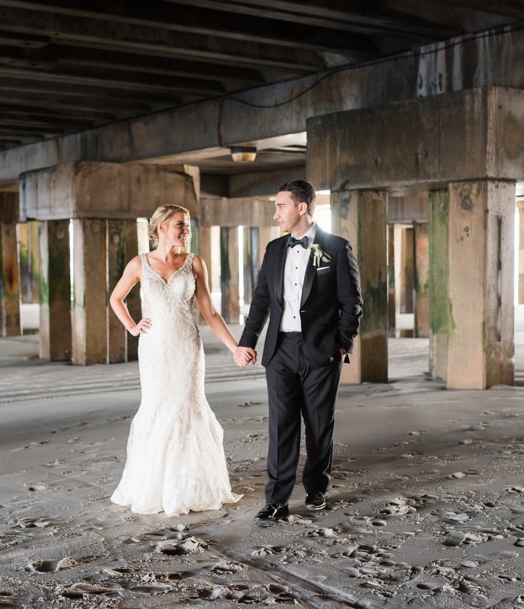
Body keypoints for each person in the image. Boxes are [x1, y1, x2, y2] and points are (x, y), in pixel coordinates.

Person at [234, 180, 362, 521]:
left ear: (301, 207)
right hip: (280, 351)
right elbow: (262, 300)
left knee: (319, 426)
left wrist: (341, 344)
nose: (276, 213)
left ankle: (317, 489)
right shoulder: (275, 250)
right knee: (281, 427)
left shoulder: (336, 248)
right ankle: (276, 498)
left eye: (281, 206)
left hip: (321, 352)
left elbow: (352, 303)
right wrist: (247, 341)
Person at [109, 203, 247, 516]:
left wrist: (235, 347)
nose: (186, 231)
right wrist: (132, 326)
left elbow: (209, 312)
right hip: (155, 350)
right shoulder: (139, 264)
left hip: (187, 348)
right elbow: (115, 298)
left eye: (187, 225)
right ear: (161, 228)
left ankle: (191, 487)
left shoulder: (195, 263)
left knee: (188, 408)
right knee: (158, 409)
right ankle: (153, 487)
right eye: (180, 225)